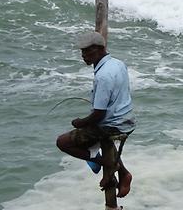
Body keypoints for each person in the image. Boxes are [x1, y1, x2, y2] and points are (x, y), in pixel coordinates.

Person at [56, 31, 136, 197]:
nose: (84, 55)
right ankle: (123, 174)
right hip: (127, 119)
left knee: (63, 142)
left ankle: (107, 163)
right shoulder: (118, 63)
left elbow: (99, 114)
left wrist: (80, 122)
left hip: (112, 125)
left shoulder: (103, 76)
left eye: (88, 51)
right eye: (82, 51)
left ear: (100, 49)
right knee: (96, 136)